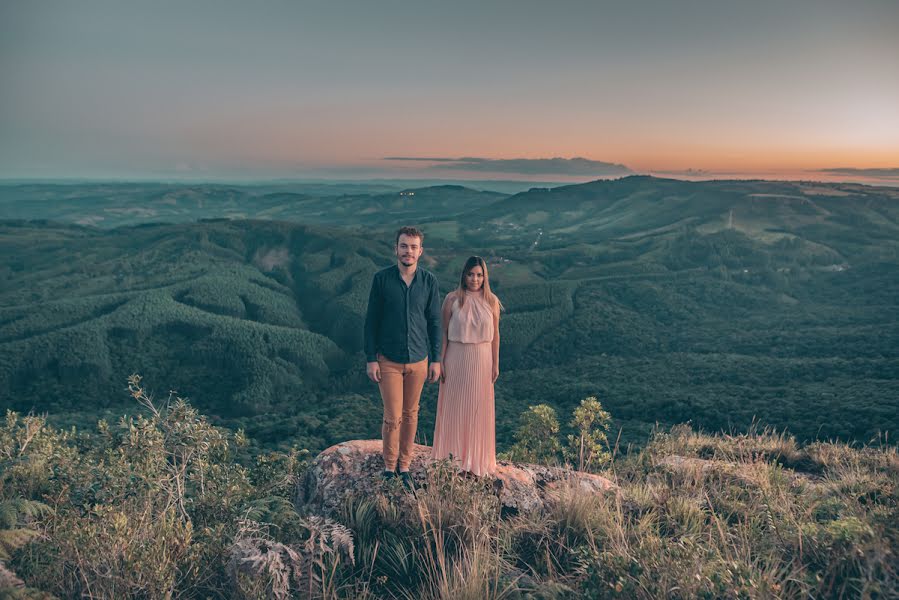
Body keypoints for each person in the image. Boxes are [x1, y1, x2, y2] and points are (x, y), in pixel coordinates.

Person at [363, 226, 442, 489]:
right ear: (396, 248)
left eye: (413, 246)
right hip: (389, 359)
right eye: (404, 246)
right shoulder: (382, 279)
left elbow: (434, 322)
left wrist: (436, 359)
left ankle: (404, 466)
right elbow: (371, 321)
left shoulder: (429, 281)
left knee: (411, 414)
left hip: (419, 359)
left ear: (421, 251)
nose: (408, 251)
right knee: (392, 415)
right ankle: (389, 466)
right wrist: (371, 358)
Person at [431, 256, 503, 477]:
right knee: (454, 408)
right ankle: (450, 460)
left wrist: (495, 363)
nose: (475, 279)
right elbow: (442, 333)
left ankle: (477, 460)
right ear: (463, 275)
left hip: (482, 360)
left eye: (479, 275)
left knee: (478, 410)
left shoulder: (492, 301)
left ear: (485, 277)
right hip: (456, 358)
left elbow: (496, 335)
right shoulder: (452, 299)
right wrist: (440, 361)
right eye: (471, 274)